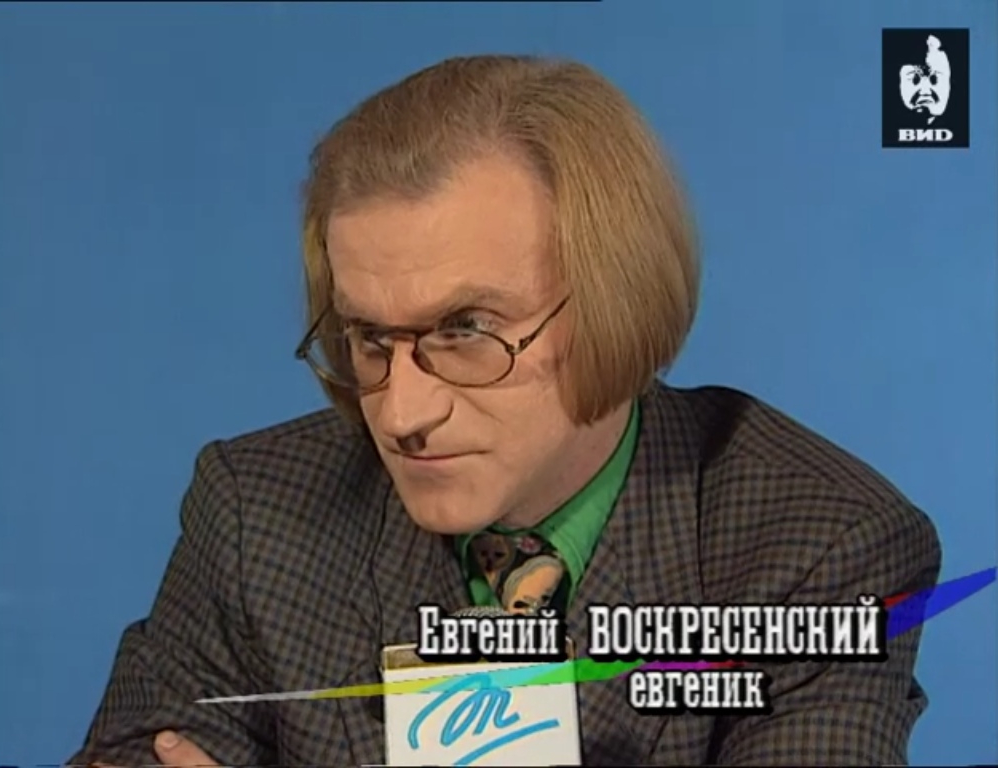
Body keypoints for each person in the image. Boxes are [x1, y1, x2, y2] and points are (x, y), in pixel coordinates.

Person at [68, 54, 941, 766]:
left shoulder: (823, 546)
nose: (401, 413)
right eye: (368, 338)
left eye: (467, 331)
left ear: (613, 302)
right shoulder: (254, 511)